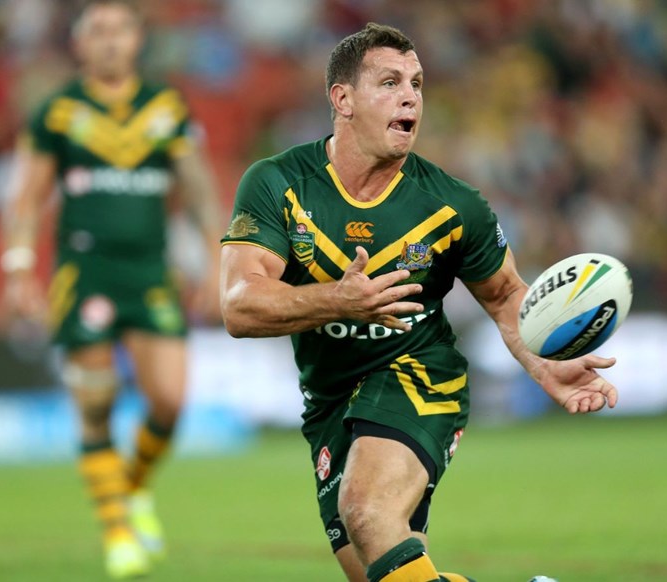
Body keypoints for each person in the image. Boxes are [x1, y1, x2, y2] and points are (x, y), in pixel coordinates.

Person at [220, 22, 618, 582]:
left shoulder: (453, 205)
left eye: (417, 83)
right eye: (389, 82)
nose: (410, 95)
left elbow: (505, 295)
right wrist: (339, 299)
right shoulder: (278, 184)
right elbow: (239, 305)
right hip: (330, 398)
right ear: (343, 99)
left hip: (417, 374)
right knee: (381, 570)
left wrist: (546, 360)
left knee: (367, 510)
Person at [1, 0, 222, 578]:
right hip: (85, 275)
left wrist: (217, 258)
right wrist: (19, 266)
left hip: (151, 272)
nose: (109, 40)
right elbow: (26, 199)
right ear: (78, 43)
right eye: (97, 30)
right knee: (95, 408)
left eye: (120, 29)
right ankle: (118, 533)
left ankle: (132, 489)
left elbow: (198, 189)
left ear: (137, 40)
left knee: (170, 402)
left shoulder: (165, 107)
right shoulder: (58, 112)